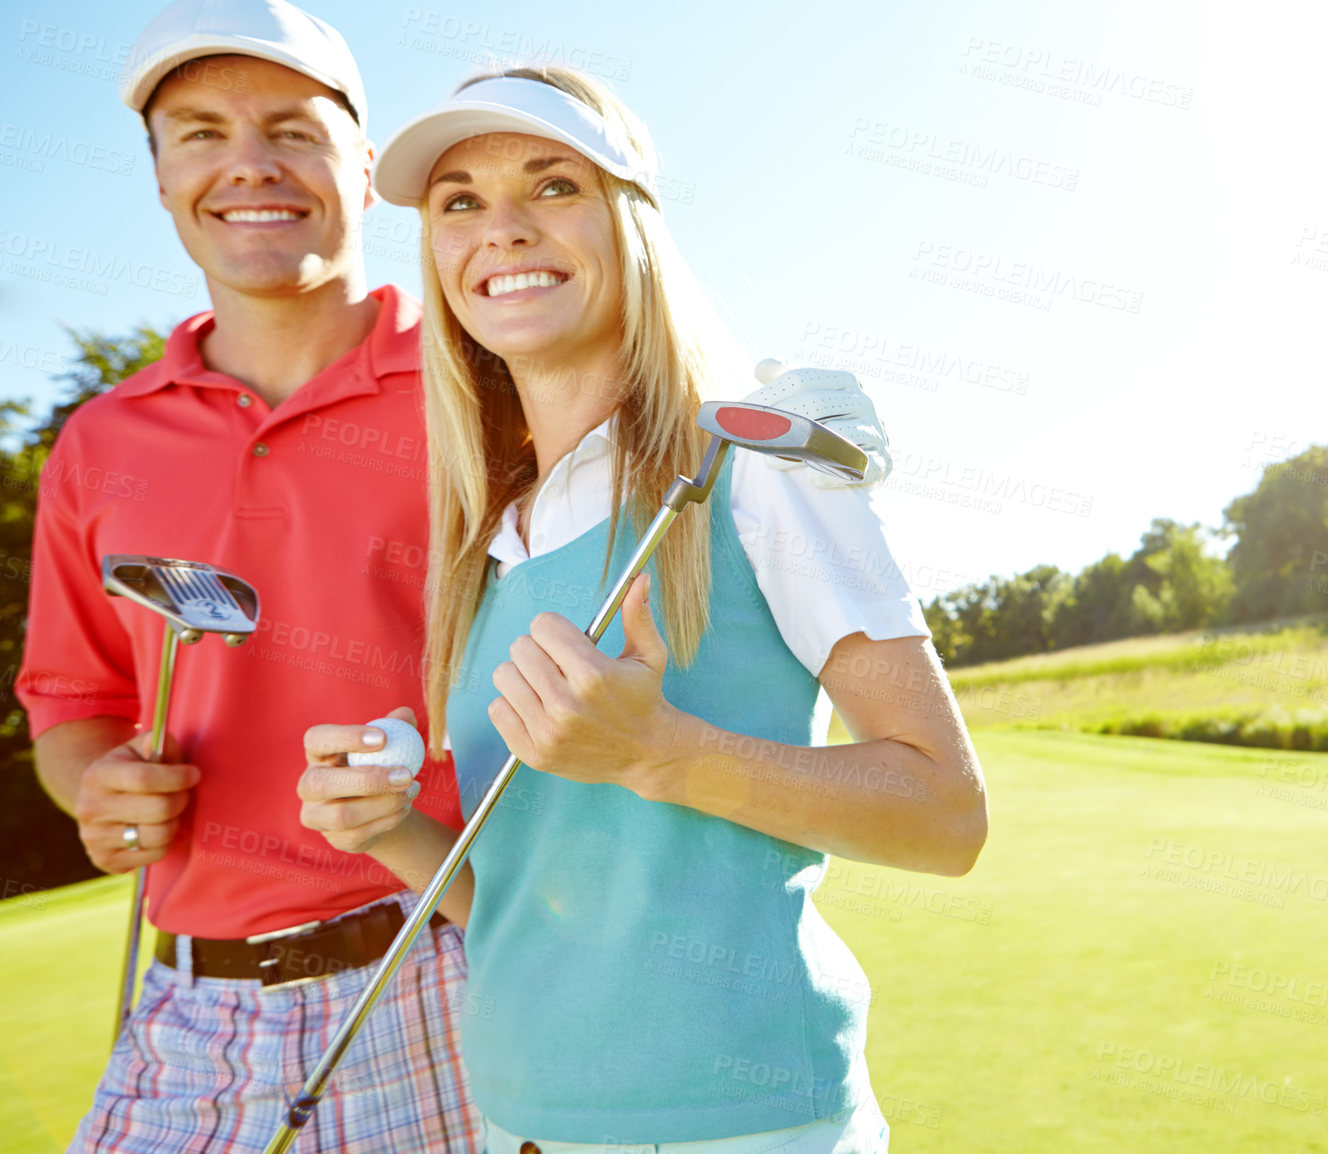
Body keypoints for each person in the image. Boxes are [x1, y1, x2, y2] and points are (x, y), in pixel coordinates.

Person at [20, 2, 891, 1150]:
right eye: (198, 132)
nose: (247, 163)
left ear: (364, 165)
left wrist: (802, 424)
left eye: (291, 126)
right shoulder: (100, 441)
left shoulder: (485, 383)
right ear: (159, 173)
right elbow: (72, 707)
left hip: (449, 946)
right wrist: (94, 787)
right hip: (191, 992)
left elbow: (665, 432)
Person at [297, 66, 987, 1154]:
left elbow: (947, 815)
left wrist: (661, 752)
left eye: (554, 184)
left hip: (744, 1124)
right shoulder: (485, 541)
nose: (503, 228)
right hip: (520, 1122)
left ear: (631, 221)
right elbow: (527, 902)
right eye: (459, 202)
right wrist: (392, 829)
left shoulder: (754, 458)